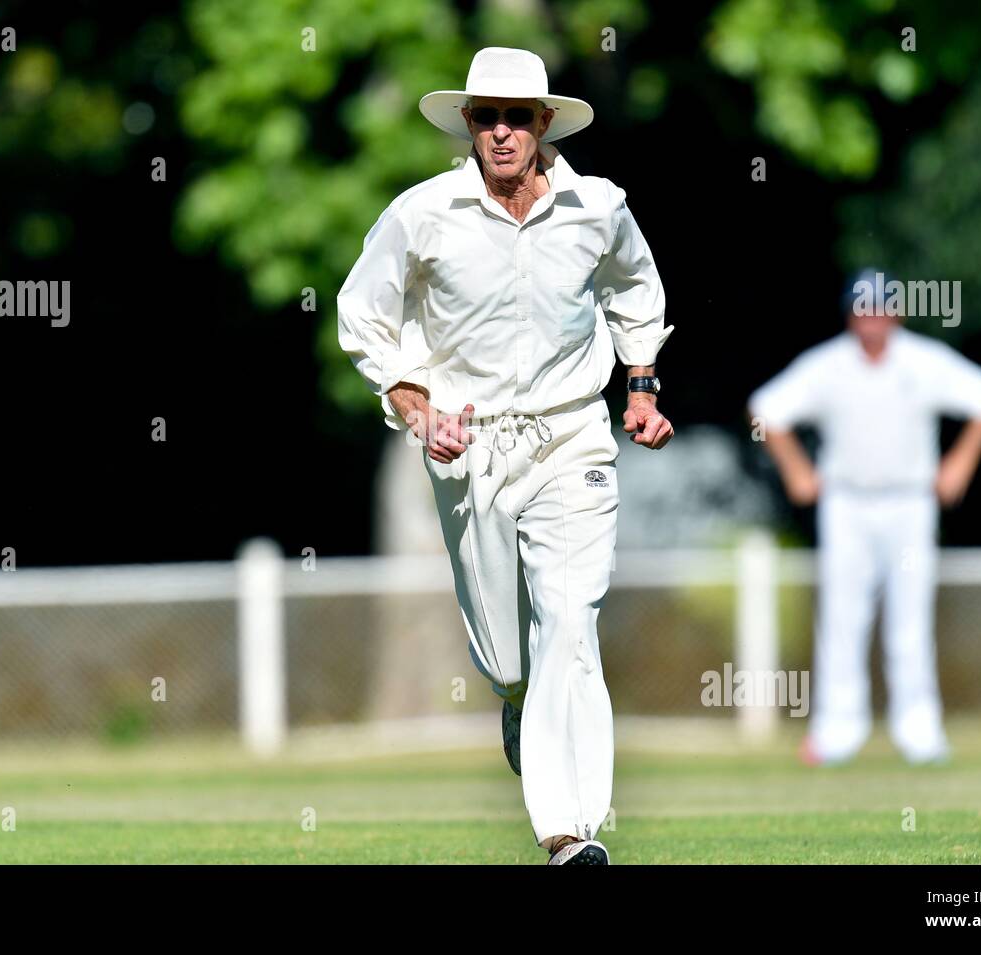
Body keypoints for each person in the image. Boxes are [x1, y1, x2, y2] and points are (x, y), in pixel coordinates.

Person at [337, 47, 673, 864]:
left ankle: (569, 831)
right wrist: (418, 410)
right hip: (471, 447)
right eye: (484, 116)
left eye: (516, 117)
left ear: (543, 123)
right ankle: (516, 700)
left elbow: (637, 290)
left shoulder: (598, 208)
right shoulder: (423, 213)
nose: (499, 133)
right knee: (507, 651)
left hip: (571, 435)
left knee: (570, 619)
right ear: (468, 124)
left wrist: (642, 387)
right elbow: (361, 316)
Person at [748, 271, 981, 765]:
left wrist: (961, 461)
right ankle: (837, 731)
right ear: (851, 315)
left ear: (896, 312)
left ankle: (920, 731)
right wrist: (797, 470)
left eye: (880, 309)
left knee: (909, 620)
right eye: (862, 310)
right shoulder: (827, 365)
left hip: (910, 502)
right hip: (846, 504)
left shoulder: (924, 361)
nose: (872, 320)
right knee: (843, 619)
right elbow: (766, 409)